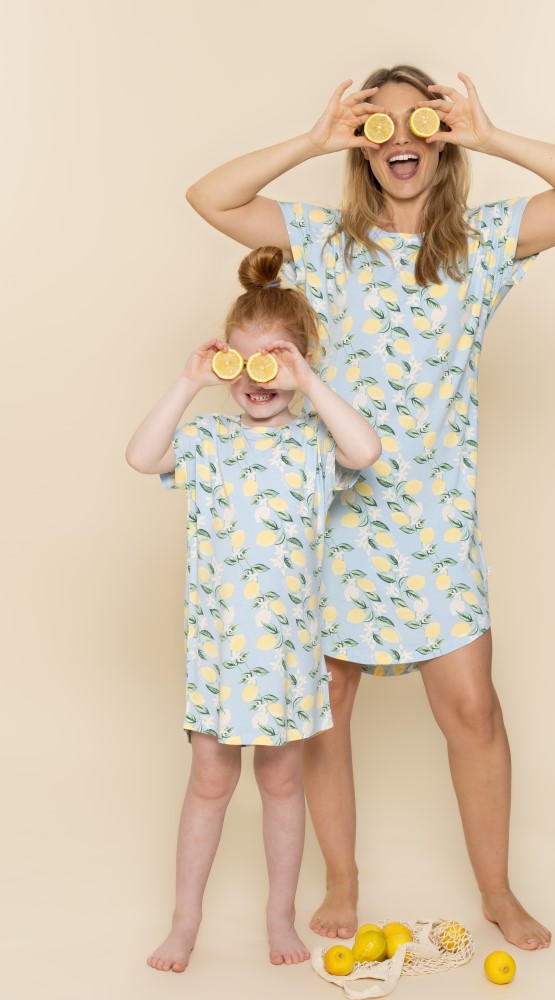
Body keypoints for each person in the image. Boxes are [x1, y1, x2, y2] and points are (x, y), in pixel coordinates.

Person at [184, 65, 555, 951]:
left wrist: (488, 134)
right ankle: (342, 880)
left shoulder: (481, 244)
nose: (398, 138)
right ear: (361, 147)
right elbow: (210, 196)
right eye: (376, 124)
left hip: (435, 521)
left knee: (473, 713)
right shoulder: (321, 242)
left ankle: (496, 892)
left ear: (440, 138)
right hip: (330, 517)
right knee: (328, 712)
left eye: (418, 120)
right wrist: (313, 139)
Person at [125, 245, 382, 972]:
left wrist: (311, 382)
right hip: (218, 649)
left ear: (301, 364)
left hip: (285, 653)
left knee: (280, 782)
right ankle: (185, 924)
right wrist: (188, 382)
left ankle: (279, 918)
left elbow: (365, 450)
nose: (256, 379)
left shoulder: (314, 444)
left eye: (275, 363)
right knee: (209, 782)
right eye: (244, 363)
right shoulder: (207, 440)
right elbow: (142, 456)